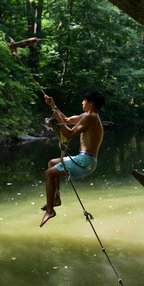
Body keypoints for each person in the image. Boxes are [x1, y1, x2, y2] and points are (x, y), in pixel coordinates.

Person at [40, 91, 105, 228]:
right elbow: (67, 120)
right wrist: (52, 105)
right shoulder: (88, 116)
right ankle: (56, 198)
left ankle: (50, 211)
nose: (82, 102)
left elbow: (69, 134)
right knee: (51, 163)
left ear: (90, 103)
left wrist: (59, 120)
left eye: (84, 100)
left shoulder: (90, 118)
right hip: (85, 159)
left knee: (48, 174)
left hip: (85, 162)